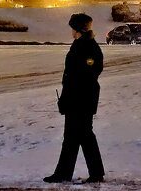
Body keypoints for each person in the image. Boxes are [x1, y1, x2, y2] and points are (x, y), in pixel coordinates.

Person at [45, 13, 105, 184]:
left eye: (72, 27)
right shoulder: (82, 44)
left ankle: (89, 173)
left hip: (81, 99)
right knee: (75, 137)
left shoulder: (86, 46)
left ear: (77, 28)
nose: (71, 31)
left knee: (81, 136)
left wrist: (71, 96)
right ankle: (68, 173)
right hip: (78, 98)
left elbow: (86, 73)